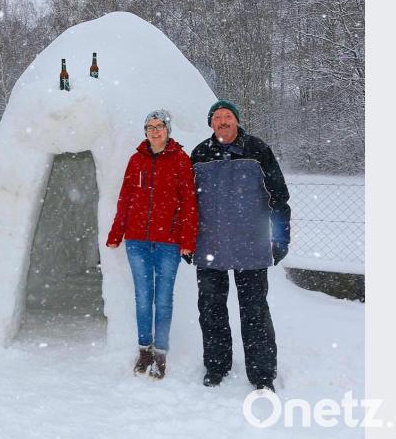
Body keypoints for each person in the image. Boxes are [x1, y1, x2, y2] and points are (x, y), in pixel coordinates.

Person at [189, 100, 291, 392]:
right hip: (210, 246)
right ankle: (217, 366)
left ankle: (262, 375)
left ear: (237, 120)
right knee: (211, 310)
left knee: (254, 311)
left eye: (228, 116)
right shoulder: (199, 154)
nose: (223, 121)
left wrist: (280, 239)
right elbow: (187, 205)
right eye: (217, 117)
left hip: (252, 246)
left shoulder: (258, 150)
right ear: (211, 124)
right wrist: (186, 241)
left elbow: (278, 197)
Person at [106, 109, 199, 379]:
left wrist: (187, 240)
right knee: (143, 298)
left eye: (160, 126)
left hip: (168, 242)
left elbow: (190, 204)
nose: (155, 131)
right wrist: (117, 232)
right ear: (145, 131)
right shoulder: (136, 161)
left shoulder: (181, 160)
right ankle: (144, 349)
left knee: (163, 299)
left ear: (168, 130)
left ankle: (161, 354)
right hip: (137, 241)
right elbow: (126, 198)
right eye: (150, 126)